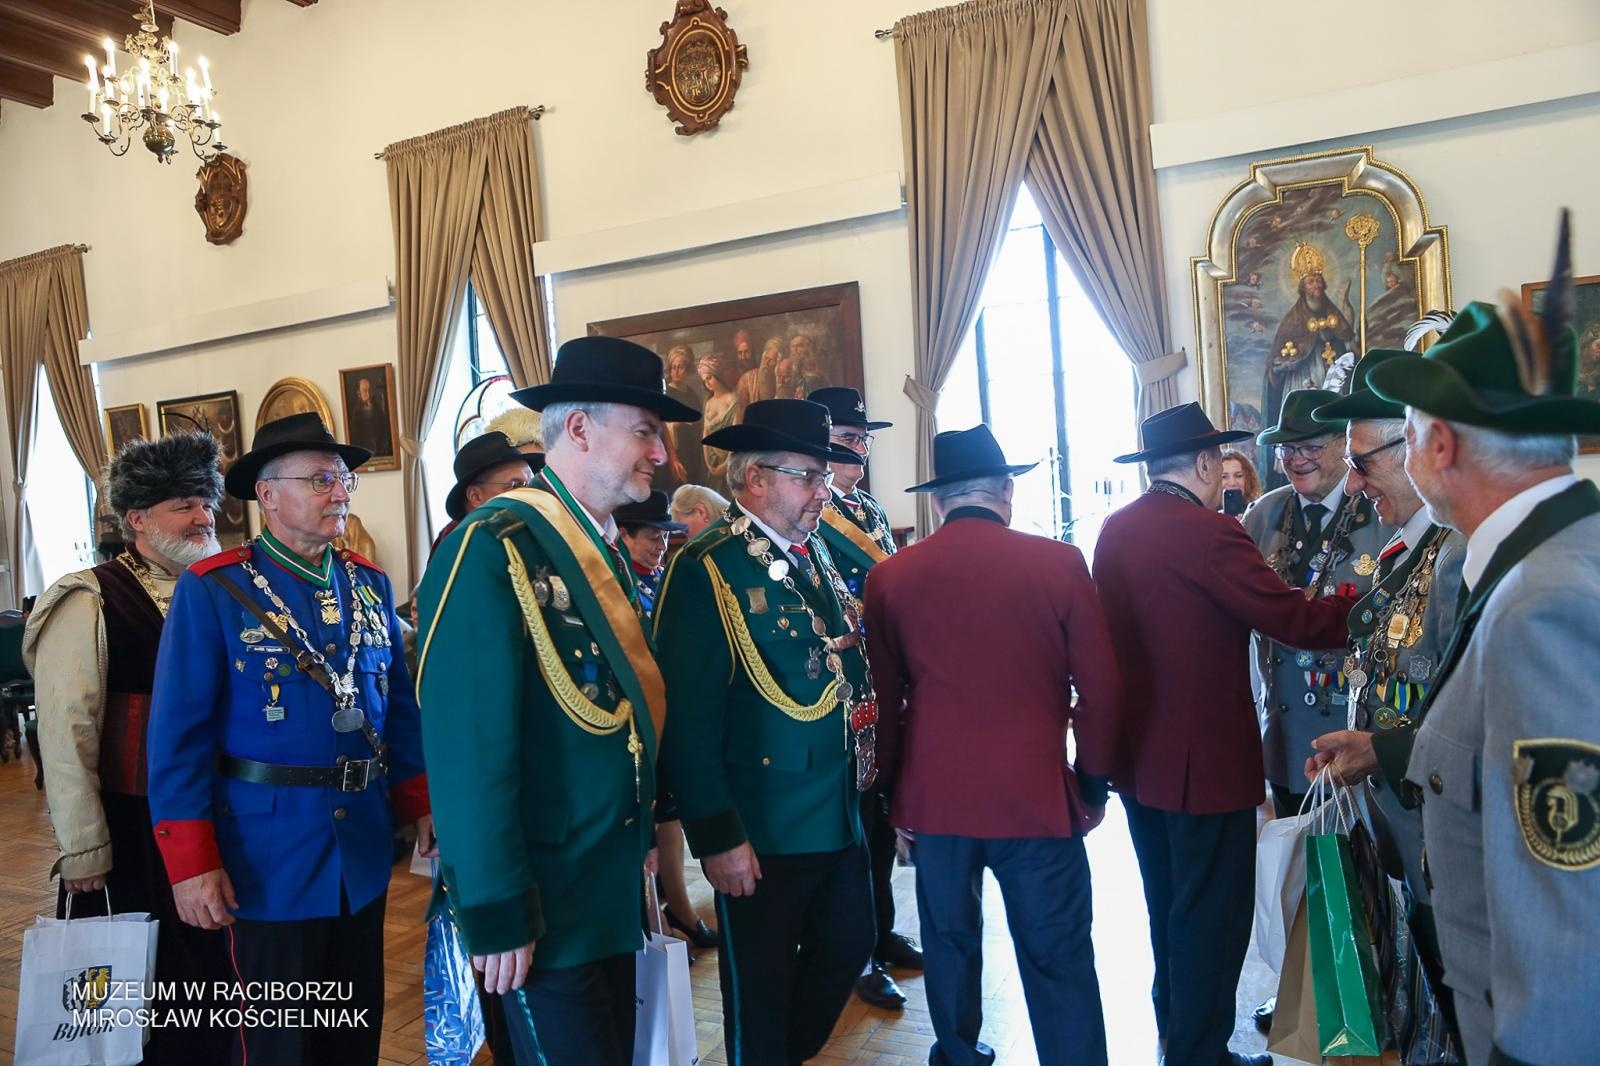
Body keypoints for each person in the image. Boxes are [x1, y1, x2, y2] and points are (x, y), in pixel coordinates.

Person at [417, 336, 699, 1066]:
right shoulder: (494, 546)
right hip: (540, 901)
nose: (660, 454)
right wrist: (496, 906)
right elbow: (468, 747)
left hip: (606, 887)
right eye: (645, 431)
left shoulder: (601, 546)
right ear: (578, 429)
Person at [1361, 238, 1600, 1065]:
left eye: (1408, 435)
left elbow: (1566, 891)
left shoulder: (1542, 607)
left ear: (1442, 448)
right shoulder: (1547, 559)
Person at [147, 413, 432, 1066]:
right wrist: (191, 863)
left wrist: (420, 804)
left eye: (344, 480)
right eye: (321, 480)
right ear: (268, 494)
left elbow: (398, 707)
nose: (340, 493)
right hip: (266, 856)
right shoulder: (215, 589)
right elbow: (178, 738)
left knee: (352, 1033)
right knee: (280, 1043)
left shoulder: (369, 583)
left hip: (360, 850)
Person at [1093, 402, 1354, 1066]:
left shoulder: (1116, 528)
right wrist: (1365, 604)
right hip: (1203, 766)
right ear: (1208, 463)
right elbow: (1294, 621)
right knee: (1212, 917)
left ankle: (1176, 1033)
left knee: (1167, 907)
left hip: (1138, 760)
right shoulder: (1212, 534)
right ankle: (1200, 1054)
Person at [866, 424, 1120, 1066]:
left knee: (949, 947)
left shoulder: (890, 577)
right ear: (1006, 489)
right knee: (1058, 954)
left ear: (938, 500)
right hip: (1036, 799)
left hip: (936, 799)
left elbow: (885, 705)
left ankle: (958, 1054)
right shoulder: (1059, 563)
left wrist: (895, 796)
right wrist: (1092, 785)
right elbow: (1102, 691)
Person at [654, 399, 874, 1065]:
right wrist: (718, 836)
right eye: (808, 476)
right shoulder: (709, 567)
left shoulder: (814, 552)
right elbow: (688, 718)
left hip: (836, 811)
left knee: (850, 944)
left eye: (824, 477)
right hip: (763, 826)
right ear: (755, 479)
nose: (822, 492)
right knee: (761, 991)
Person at [25, 432, 233, 1062]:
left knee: (219, 982)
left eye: (206, 501)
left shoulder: (227, 586)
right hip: (134, 827)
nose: (202, 516)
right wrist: (85, 848)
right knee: (142, 995)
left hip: (218, 818)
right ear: (137, 518)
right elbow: (66, 732)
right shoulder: (91, 598)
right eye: (182, 505)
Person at [1300, 345, 1466, 1037]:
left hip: (1448, 844)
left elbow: (1470, 719)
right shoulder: (1411, 548)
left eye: (1361, 464)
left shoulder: (1457, 554)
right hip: (1405, 830)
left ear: (1416, 447)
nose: (1354, 485)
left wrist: (1381, 750)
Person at [807, 385, 921, 1011]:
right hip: (840, 681)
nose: (859, 449)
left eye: (863, 439)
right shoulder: (815, 512)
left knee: (879, 820)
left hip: (880, 676)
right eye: (847, 439)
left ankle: (882, 931)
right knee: (852, 825)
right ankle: (857, 953)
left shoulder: (870, 509)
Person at [1246, 388, 1389, 815]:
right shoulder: (1262, 516)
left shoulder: (1379, 510)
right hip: (1284, 738)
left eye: (1310, 447)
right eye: (1287, 449)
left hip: (1355, 739)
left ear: (1344, 444)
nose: (1297, 459)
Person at [1264, 243, 1353, 447]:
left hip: (1331, 377)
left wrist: (1346, 309)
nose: (1317, 285)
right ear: (1303, 287)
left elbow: (1346, 335)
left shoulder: (1332, 311)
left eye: (1319, 280)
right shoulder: (1292, 319)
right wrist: (1285, 364)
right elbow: (1274, 363)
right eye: (1311, 282)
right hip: (1301, 379)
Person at [431, 431, 538, 554]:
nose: (529, 493)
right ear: (475, 496)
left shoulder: (529, 530)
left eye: (531, 484)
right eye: (514, 485)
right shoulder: (460, 544)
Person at [698, 352, 743, 494]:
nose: (707, 383)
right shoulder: (709, 403)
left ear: (718, 375)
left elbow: (736, 436)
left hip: (729, 461)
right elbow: (705, 434)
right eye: (704, 380)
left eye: (709, 378)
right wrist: (709, 465)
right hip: (712, 462)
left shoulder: (733, 399)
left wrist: (725, 466)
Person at [348, 374, 394, 457]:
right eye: (365, 391)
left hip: (379, 450)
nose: (368, 394)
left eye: (369, 390)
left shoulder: (378, 409)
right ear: (359, 393)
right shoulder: (355, 413)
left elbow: (384, 430)